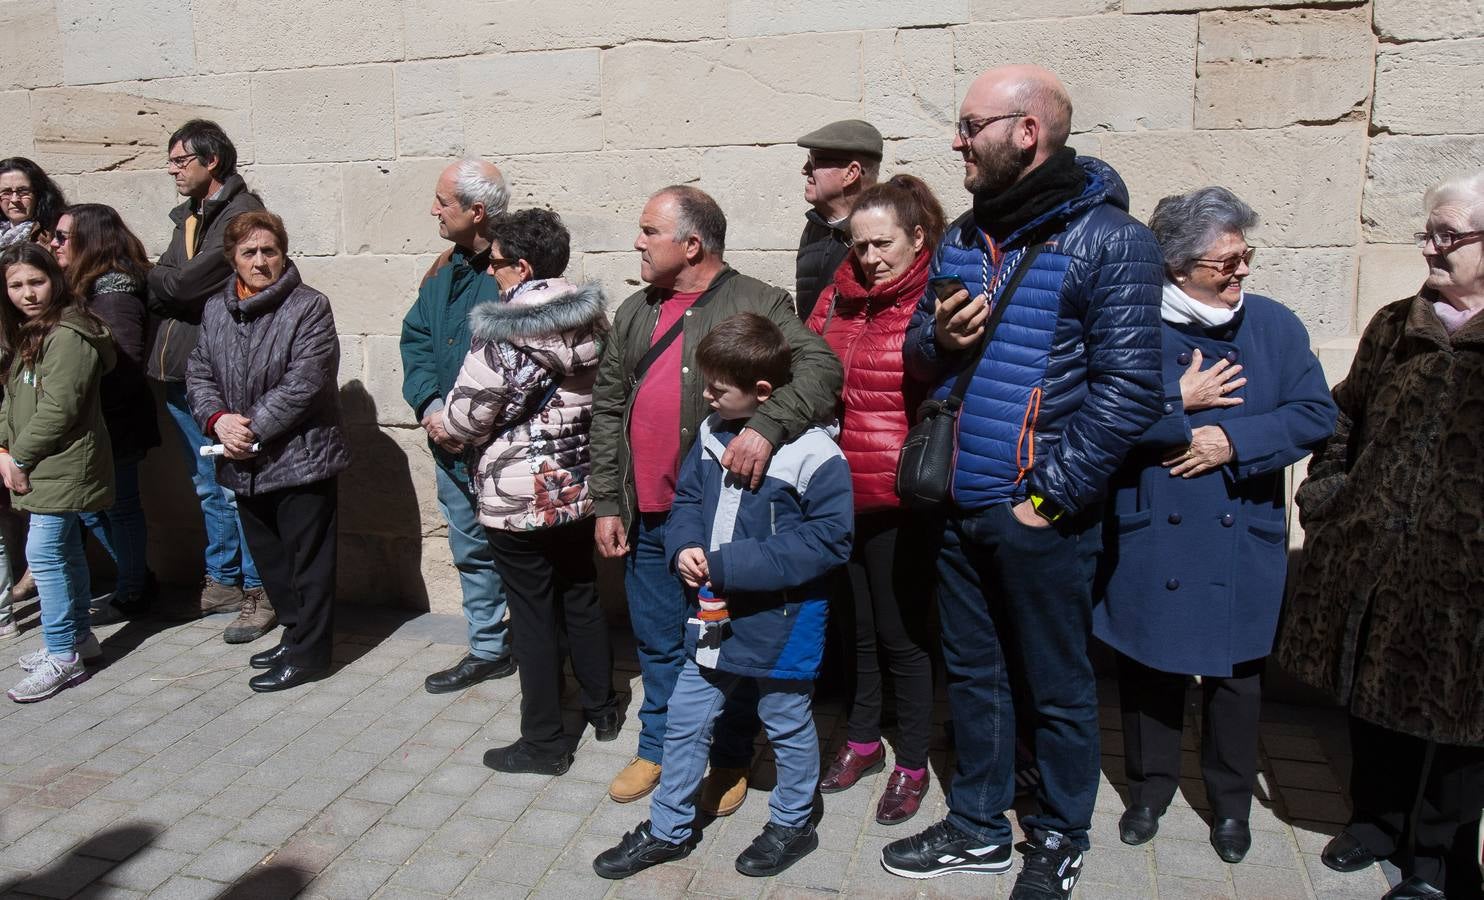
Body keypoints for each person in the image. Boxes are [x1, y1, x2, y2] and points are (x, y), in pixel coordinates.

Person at [882, 65, 1164, 898]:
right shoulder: (966, 238)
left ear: (1028, 132)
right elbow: (921, 364)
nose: (956, 141)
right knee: (974, 675)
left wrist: (1048, 498)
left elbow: (1130, 389)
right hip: (961, 503)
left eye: (972, 126)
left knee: (1055, 685)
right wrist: (937, 337)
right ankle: (977, 827)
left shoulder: (1115, 241)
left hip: (1043, 515)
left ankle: (1056, 833)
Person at [1091, 187, 1336, 863]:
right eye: (1223, 262)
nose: (1241, 272)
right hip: (1153, 532)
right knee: (1149, 673)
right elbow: (1090, 415)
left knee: (1235, 682)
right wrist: (1177, 402)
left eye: (1244, 256)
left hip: (1240, 532)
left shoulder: (1276, 327)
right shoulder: (1131, 325)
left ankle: (1230, 804)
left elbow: (1317, 414)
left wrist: (1231, 438)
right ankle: (1148, 792)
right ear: (1175, 266)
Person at [589, 186, 842, 812]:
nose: (638, 242)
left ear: (692, 243)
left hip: (721, 520)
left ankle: (729, 756)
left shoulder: (759, 301)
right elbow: (608, 406)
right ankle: (660, 749)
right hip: (648, 513)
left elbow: (821, 370)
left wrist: (764, 426)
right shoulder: (634, 310)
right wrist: (605, 501)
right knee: (657, 641)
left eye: (650, 231)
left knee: (729, 644)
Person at [1277, 170, 1484, 900]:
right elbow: (1345, 414)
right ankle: (1374, 823)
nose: (1430, 248)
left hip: (1472, 578)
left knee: (1462, 724)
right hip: (1380, 558)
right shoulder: (1398, 324)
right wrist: (1332, 494)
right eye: (1428, 232)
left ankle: (1437, 859)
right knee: (1373, 699)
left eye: (1448, 236)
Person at [593, 313, 853, 880]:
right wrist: (683, 544)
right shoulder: (713, 430)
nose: (705, 395)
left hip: (784, 619)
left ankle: (792, 820)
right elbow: (687, 498)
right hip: (714, 614)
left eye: (716, 387)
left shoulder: (815, 455)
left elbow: (830, 541)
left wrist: (728, 564)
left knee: (785, 719)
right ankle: (668, 829)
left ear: (762, 392)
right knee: (686, 719)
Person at [440, 208, 619, 774]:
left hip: (518, 496)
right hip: (576, 485)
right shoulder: (596, 320)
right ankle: (603, 706)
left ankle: (544, 742)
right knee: (581, 593)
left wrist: (444, 424)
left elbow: (466, 420)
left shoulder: (500, 331)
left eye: (495, 263)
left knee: (533, 617)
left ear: (521, 267)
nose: (490, 273)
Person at [805, 174, 945, 825]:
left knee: (904, 635)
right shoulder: (838, 295)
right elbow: (810, 368)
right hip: (840, 490)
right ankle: (863, 740)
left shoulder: (936, 301)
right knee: (857, 630)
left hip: (900, 497)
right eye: (860, 245)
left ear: (917, 237)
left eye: (882, 243)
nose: (870, 258)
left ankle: (913, 761)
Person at [187, 211, 349, 693]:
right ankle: (295, 635)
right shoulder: (217, 308)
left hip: (301, 457)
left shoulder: (309, 307)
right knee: (273, 561)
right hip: (243, 461)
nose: (260, 261)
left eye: (269, 251)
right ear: (232, 259)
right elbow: (199, 371)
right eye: (249, 253)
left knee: (308, 562)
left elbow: (306, 382)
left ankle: (312, 654)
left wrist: (249, 427)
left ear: (283, 252)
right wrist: (217, 420)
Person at [147, 119, 268, 639]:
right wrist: (165, 280)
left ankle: (257, 588)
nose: (173, 169)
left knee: (235, 484)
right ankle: (221, 580)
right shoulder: (191, 215)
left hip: (216, 373)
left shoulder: (241, 215)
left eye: (180, 160)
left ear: (210, 160)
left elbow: (186, 283)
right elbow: (165, 279)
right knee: (205, 484)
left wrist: (164, 279)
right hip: (176, 369)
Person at [400, 159, 516, 695]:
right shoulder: (443, 269)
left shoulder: (516, 270)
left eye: (442, 202)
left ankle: (540, 645)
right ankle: (490, 647)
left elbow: (530, 363)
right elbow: (418, 338)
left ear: (476, 211)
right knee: (470, 547)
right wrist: (429, 406)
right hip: (448, 443)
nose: (432, 211)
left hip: (504, 448)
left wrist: (468, 423)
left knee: (524, 553)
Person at [0, 244, 115, 701]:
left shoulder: (68, 334)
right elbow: (12, 400)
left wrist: (20, 457)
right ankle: (81, 639)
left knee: (44, 555)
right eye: (16, 285)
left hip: (61, 461)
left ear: (56, 280)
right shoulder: (33, 330)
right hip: (39, 459)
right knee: (65, 551)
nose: (28, 294)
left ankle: (62, 654)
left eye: (36, 281)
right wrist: (5, 448)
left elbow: (60, 408)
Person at [50, 204, 162, 621]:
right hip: (99, 421)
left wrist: (83, 409)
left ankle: (135, 590)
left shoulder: (114, 291)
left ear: (90, 240)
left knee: (116, 507)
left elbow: (124, 363)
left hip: (113, 422)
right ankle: (136, 580)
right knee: (94, 507)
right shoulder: (87, 285)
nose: (54, 243)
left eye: (63, 236)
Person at [794, 120, 882, 322]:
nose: (805, 169)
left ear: (851, 173)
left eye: (815, 161)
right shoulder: (814, 226)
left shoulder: (886, 232)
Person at [0, 158, 67, 249]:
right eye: (6, 192)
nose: (15, 199)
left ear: (38, 194)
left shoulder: (55, 237)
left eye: (23, 191)